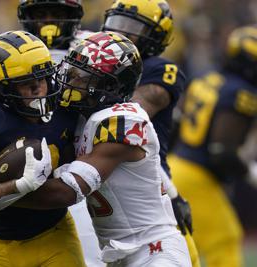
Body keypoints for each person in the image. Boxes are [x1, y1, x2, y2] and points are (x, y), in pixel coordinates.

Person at [14, 31, 192, 267]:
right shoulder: (83, 119)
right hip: (117, 256)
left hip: (154, 251)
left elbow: (68, 191)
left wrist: (1, 195)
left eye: (82, 77)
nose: (71, 81)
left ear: (110, 86)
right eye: (71, 72)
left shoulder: (123, 121)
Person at [0, 30, 86, 267]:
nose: (38, 89)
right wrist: (18, 186)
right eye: (26, 83)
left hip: (55, 232)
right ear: (0, 88)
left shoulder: (65, 109)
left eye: (43, 78)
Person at [99, 1, 201, 266]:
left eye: (131, 27)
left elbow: (125, 115)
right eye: (117, 23)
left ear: (155, 37)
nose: (119, 33)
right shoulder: (92, 60)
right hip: (99, 192)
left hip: (151, 190)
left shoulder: (160, 70)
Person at [168, 25, 257, 267]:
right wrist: (249, 173)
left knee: (182, 242)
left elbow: (176, 125)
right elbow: (221, 152)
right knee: (225, 239)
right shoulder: (241, 94)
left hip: (177, 166)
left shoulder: (207, 78)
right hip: (198, 175)